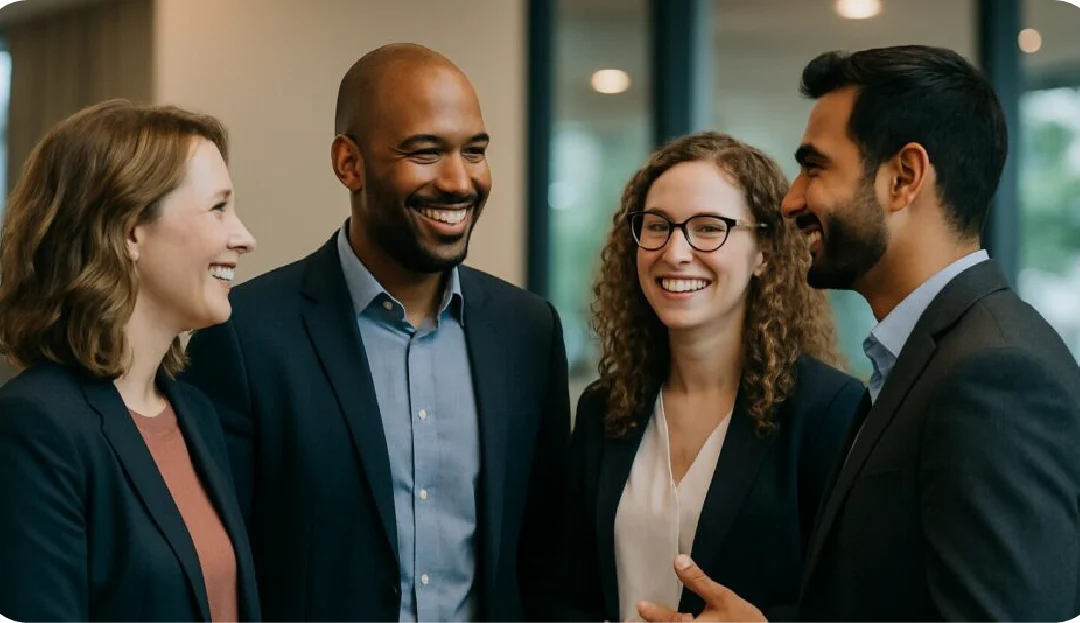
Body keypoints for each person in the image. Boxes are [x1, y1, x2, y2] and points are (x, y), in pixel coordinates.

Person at [637, 45, 1080, 623]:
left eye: (815, 167)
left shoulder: (993, 375)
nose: (792, 199)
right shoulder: (927, 359)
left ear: (904, 178)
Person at [182, 43, 571, 623]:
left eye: (475, 151)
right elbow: (224, 570)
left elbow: (548, 559)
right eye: (425, 152)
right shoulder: (244, 336)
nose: (458, 180)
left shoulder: (527, 332)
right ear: (349, 164)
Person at [558, 132, 865, 623]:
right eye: (657, 226)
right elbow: (563, 591)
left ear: (764, 252)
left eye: (708, 228)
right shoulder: (605, 407)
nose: (676, 252)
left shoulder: (829, 411)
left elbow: (859, 601)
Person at [0, 100, 260, 623]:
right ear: (129, 231)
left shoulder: (196, 415)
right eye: (218, 208)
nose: (245, 237)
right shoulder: (36, 425)